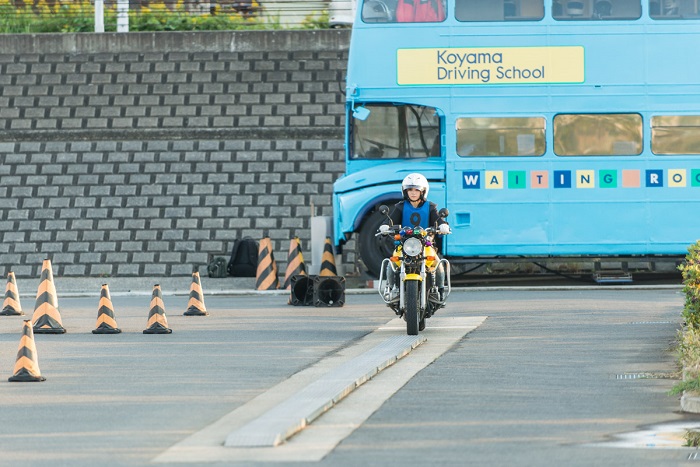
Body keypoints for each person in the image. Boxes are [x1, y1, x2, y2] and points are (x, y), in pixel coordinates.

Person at [378, 173, 450, 302]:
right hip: (404, 243)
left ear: (423, 191)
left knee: (437, 263)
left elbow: (439, 220)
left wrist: (443, 226)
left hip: (426, 243)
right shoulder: (400, 206)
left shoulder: (431, 207)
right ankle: (392, 289)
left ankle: (440, 290)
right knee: (392, 263)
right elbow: (390, 220)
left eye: (416, 189)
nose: (413, 193)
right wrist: (384, 226)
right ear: (405, 191)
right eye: (410, 189)